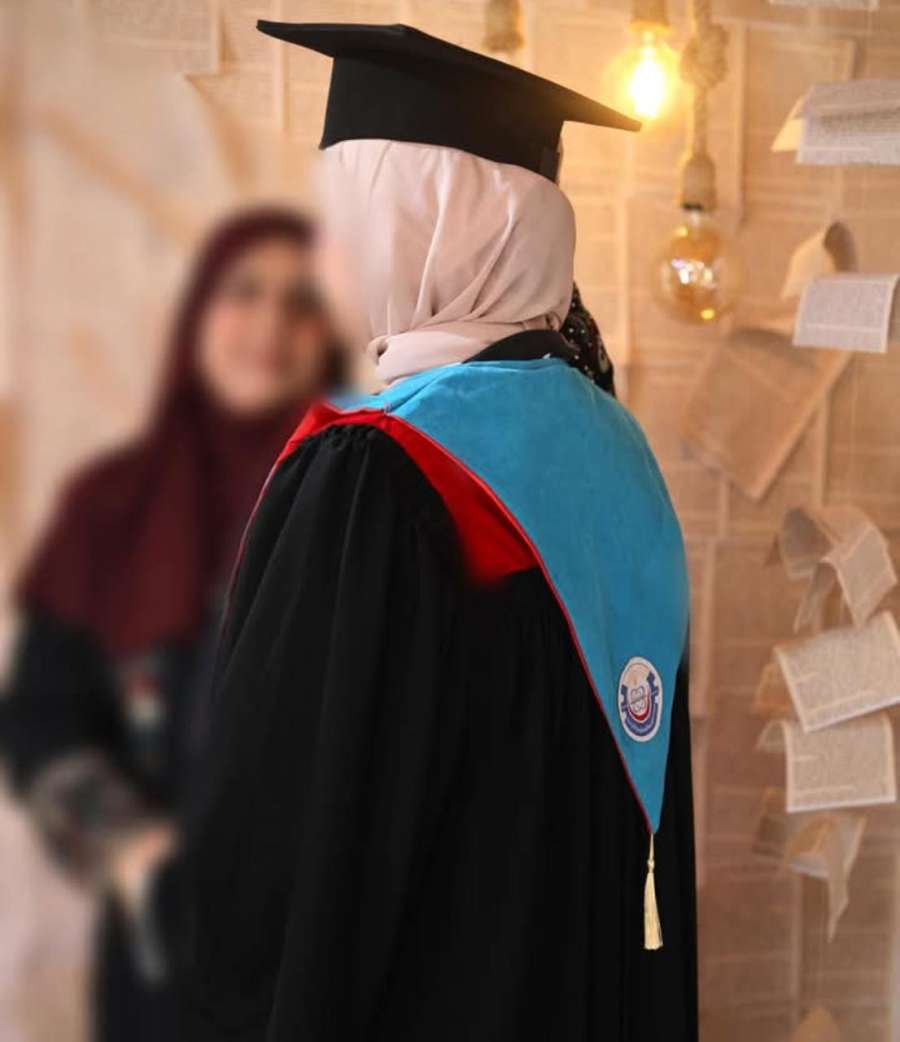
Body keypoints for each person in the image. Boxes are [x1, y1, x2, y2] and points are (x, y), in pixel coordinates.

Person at [184, 22, 696, 1042]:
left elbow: (265, 857)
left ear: (438, 230)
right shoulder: (618, 449)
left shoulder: (380, 475)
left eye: (353, 216)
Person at [1, 206, 340, 1042]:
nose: (271, 324)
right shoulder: (111, 507)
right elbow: (40, 720)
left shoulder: (359, 506)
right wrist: (130, 848)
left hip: (321, 947)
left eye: (301, 302)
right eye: (244, 292)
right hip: (163, 957)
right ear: (197, 314)